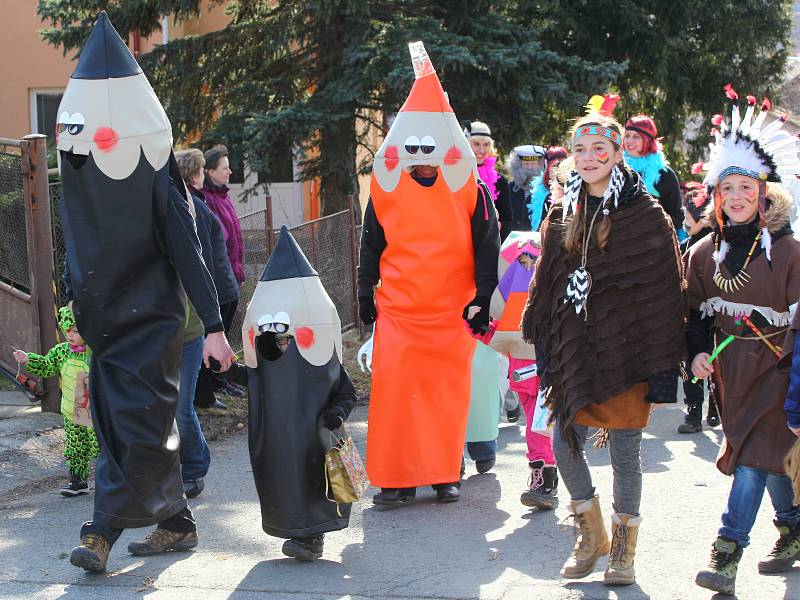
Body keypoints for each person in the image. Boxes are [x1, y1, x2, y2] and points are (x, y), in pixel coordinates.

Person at [54, 12, 235, 573]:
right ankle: (177, 522)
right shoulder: (80, 180)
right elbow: (79, 250)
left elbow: (189, 253)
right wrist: (72, 304)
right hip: (104, 323)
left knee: (132, 425)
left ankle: (101, 532)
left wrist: (213, 326)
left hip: (152, 324)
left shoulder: (160, 180)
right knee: (129, 425)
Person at [521, 109, 685, 586]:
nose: (588, 158)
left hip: (629, 354)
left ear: (617, 154)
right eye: (579, 150)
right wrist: (547, 347)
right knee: (562, 442)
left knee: (625, 455)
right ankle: (590, 535)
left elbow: (663, 292)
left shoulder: (646, 213)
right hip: (577, 352)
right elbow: (547, 285)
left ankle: (624, 551)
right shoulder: (563, 209)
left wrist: (661, 369)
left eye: (599, 150)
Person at [359, 42, 500, 506]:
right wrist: (364, 294)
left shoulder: (470, 190)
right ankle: (397, 480)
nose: (422, 155)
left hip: (450, 309)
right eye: (413, 148)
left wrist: (482, 296)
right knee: (397, 393)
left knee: (444, 393)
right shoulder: (387, 188)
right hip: (400, 308)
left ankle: (444, 473)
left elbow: (486, 244)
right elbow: (371, 244)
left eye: (430, 148)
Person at [687, 87, 800, 596]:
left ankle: (726, 555)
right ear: (715, 194)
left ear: (764, 192)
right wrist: (695, 354)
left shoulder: (791, 251)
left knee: (753, 460)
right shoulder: (703, 253)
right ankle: (794, 527)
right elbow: (690, 314)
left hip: (779, 372)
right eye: (727, 187)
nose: (736, 197)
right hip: (732, 377)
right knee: (766, 460)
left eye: (746, 187)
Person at [236, 226, 357, 561]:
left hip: (313, 441)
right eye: (279, 341)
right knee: (287, 486)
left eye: (289, 338)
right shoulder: (266, 369)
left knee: (315, 486)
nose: (285, 345)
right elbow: (246, 376)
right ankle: (296, 534)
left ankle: (311, 538)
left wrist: (333, 417)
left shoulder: (323, 365)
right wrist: (221, 370)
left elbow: (346, 394)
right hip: (280, 442)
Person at [173, 149, 241, 496]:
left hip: (192, 325)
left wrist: (211, 324)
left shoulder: (194, 210)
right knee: (172, 407)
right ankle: (184, 464)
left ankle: (195, 466)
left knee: (182, 406)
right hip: (165, 329)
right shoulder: (169, 209)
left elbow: (207, 265)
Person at [488, 233, 558, 509]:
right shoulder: (512, 307)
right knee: (538, 427)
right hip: (524, 378)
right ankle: (544, 478)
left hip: (542, 375)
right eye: (522, 263)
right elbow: (497, 335)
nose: (526, 270)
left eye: (531, 264)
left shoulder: (545, 307)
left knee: (539, 428)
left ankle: (546, 481)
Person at [13, 306, 98, 497]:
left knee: (98, 444)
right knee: (75, 445)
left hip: (93, 407)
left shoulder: (94, 352)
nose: (70, 335)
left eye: (75, 331)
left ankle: (108, 481)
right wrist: (28, 359)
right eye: (66, 330)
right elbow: (47, 366)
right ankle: (78, 480)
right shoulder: (62, 351)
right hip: (70, 407)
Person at [179, 148, 238, 416]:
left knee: (210, 343)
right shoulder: (191, 205)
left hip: (224, 280)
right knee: (205, 344)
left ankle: (214, 387)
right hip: (215, 285)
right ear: (194, 174)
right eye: (203, 170)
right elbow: (201, 253)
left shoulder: (199, 201)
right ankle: (204, 395)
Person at [200, 144, 246, 400]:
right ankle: (215, 381)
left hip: (232, 275)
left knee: (224, 334)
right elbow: (219, 245)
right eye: (225, 168)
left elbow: (234, 240)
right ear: (210, 172)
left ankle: (222, 379)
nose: (230, 172)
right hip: (221, 278)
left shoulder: (223, 196)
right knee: (216, 335)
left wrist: (238, 273)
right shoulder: (208, 201)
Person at [676, 182, 719, 434]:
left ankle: (702, 410)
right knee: (698, 359)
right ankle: (702, 410)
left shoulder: (709, 245)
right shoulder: (687, 244)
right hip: (692, 311)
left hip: (709, 312)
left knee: (705, 359)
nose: (684, 219)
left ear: (702, 218)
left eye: (688, 215)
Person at [623, 115, 684, 232]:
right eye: (627, 136)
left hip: (654, 241)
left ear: (647, 140)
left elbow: (678, 217)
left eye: (636, 137)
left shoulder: (664, 174)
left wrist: (651, 223)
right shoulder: (617, 168)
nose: (629, 141)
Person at [468, 121, 514, 241]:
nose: (481, 150)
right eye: (476, 144)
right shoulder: (456, 177)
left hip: (489, 246)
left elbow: (507, 221)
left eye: (486, 144)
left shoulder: (500, 181)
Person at [505, 144, 546, 232]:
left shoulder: (545, 189)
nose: (530, 167)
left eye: (534, 163)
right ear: (517, 165)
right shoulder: (510, 188)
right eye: (526, 164)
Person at [528, 146, 568, 232]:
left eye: (562, 165)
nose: (558, 169)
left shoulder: (576, 193)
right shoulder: (533, 197)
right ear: (547, 169)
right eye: (554, 166)